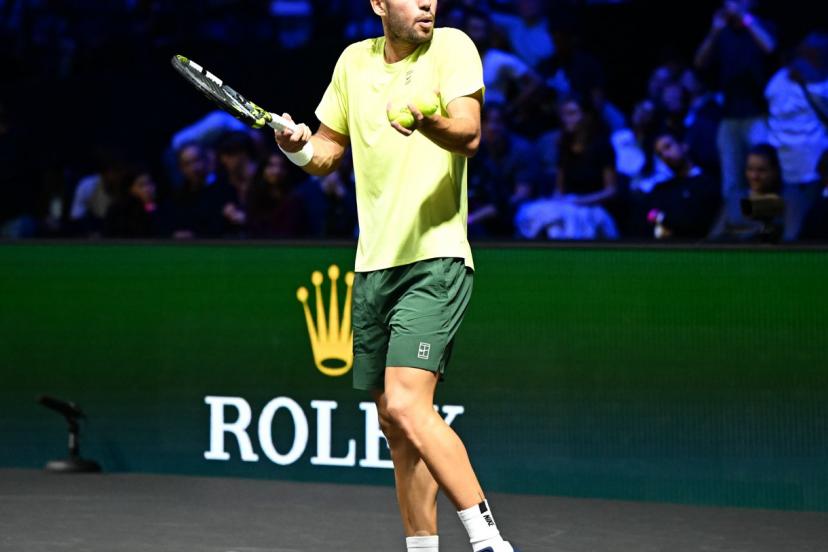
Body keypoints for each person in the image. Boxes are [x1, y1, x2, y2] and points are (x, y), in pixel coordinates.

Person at [274, 2, 518, 551]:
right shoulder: (351, 63)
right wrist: (296, 149)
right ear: (379, 5)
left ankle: (490, 543)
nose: (427, 2)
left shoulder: (453, 46)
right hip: (373, 265)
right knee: (397, 424)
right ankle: (421, 548)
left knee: (409, 403)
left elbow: (471, 133)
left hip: (435, 256)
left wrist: (428, 120)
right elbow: (327, 152)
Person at [694, 0, 776, 226]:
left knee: (762, 175)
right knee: (731, 182)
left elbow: (770, 47)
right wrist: (714, 30)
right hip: (729, 117)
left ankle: (764, 226)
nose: (733, 4)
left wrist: (747, 20)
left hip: (757, 115)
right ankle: (739, 228)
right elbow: (700, 62)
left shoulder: (761, 25)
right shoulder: (722, 33)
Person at [765, 32, 828, 241]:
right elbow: (773, 112)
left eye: (815, 52)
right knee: (786, 232)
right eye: (806, 51)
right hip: (782, 167)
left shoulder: (821, 84)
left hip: (815, 168)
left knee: (804, 232)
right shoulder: (779, 79)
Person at [646, 132, 721, 240]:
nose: (665, 156)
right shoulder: (662, 190)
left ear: (683, 146)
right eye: (660, 154)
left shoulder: (709, 181)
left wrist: (667, 220)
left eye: (668, 147)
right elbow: (651, 215)